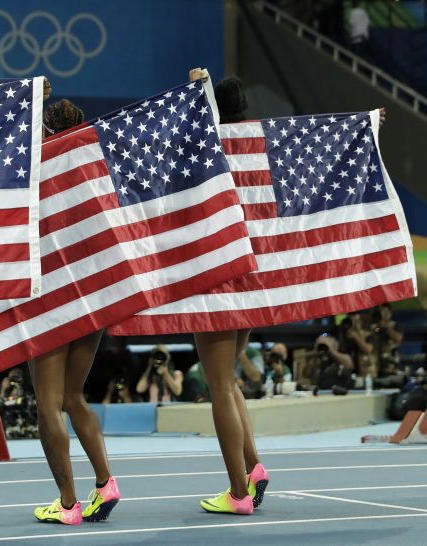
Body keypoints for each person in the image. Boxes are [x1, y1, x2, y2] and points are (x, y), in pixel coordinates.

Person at [32, 98, 119, 526]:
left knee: (48, 404)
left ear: (45, 129)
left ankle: (67, 503)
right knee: (72, 396)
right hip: (93, 295)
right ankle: (105, 482)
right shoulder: (94, 163)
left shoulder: (36, 165)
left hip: (52, 297)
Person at [188, 68, 269, 516]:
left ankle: (238, 493)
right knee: (229, 380)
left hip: (219, 279)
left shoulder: (211, 148)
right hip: (251, 281)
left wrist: (195, 95)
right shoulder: (257, 141)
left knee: (220, 385)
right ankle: (253, 468)